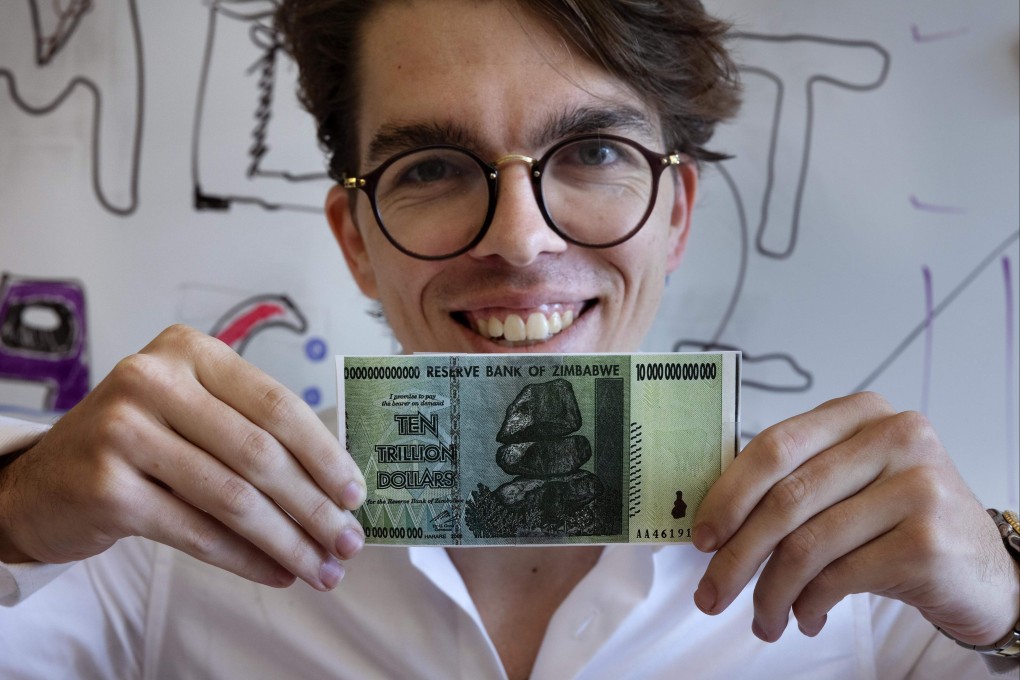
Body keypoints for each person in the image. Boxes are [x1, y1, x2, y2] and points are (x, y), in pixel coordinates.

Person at [0, 1, 1017, 678]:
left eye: (596, 152)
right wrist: (12, 512)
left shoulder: (873, 586)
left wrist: (1013, 595)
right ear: (357, 240)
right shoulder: (155, 552)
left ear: (675, 214)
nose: (520, 240)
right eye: (434, 168)